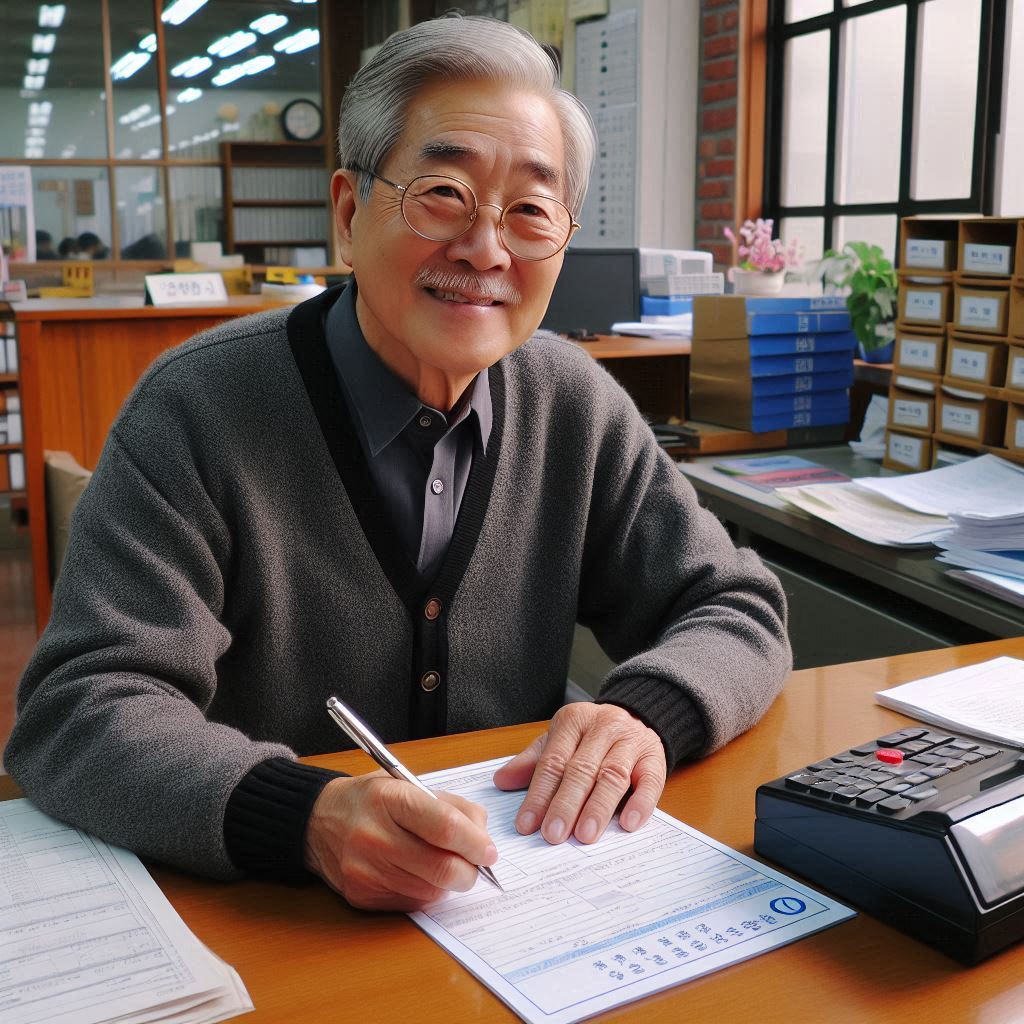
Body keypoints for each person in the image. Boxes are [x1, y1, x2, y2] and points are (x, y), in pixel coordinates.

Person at [6, 15, 790, 912]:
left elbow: (737, 606)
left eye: (531, 211)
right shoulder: (198, 408)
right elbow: (80, 707)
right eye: (444, 193)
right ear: (349, 214)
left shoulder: (573, 402)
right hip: (274, 919)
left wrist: (648, 711)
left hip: (517, 907)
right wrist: (301, 817)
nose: (486, 250)